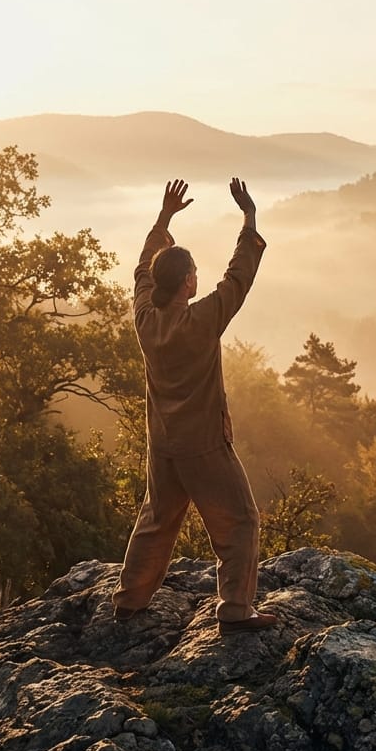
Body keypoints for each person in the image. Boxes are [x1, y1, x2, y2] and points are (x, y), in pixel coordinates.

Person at [111, 177, 277, 635]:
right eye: (193, 274)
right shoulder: (202, 321)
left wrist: (164, 218)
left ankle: (128, 600)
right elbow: (239, 277)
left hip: (163, 444)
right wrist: (249, 219)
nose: (198, 279)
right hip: (203, 444)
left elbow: (142, 269)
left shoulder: (146, 318)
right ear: (187, 283)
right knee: (240, 521)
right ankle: (236, 610)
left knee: (158, 519)